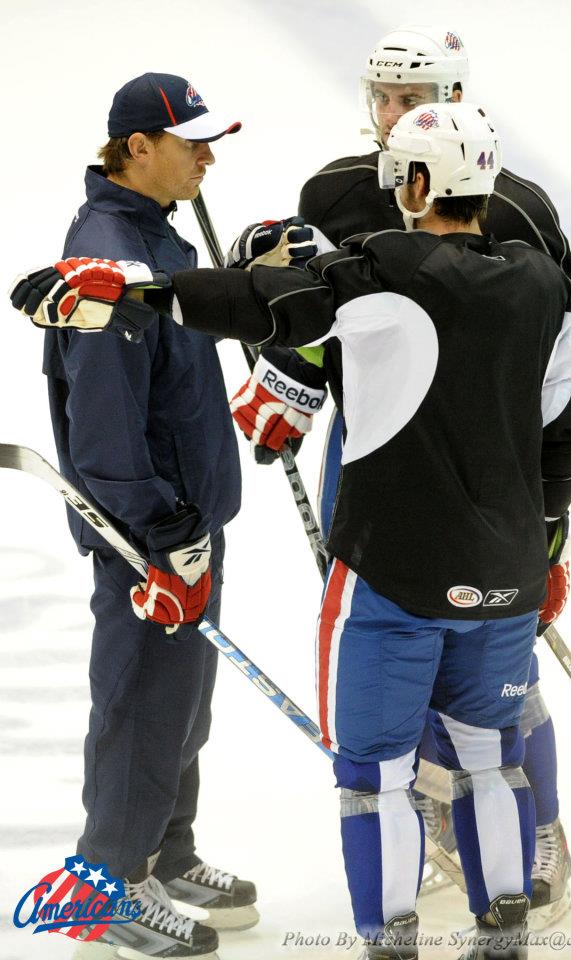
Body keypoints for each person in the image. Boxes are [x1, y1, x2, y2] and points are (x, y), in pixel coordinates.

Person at [14, 101, 571, 960]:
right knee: (491, 758)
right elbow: (568, 441)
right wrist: (546, 549)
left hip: (392, 576)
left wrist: (137, 290)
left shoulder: (382, 271)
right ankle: (501, 939)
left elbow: (269, 306)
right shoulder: (543, 286)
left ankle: (389, 945)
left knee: (377, 776)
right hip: (504, 581)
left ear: (421, 183)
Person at [227, 24, 571, 926]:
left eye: (416, 98)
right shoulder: (338, 191)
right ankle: (431, 819)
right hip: (380, 447)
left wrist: (550, 518)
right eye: (384, 98)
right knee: (392, 646)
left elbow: (563, 358)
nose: (395, 116)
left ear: (460, 99)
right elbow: (317, 314)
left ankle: (537, 828)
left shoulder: (520, 210)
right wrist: (287, 388)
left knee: (492, 662)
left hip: (491, 458)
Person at [23, 72, 258, 959]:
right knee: (140, 707)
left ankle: (165, 849)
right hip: (149, 536)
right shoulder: (109, 260)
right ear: (136, 149)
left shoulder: (157, 237)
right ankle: (108, 887)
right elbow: (107, 426)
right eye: (190, 141)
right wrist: (157, 534)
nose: (206, 155)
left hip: (186, 522)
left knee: (182, 705)